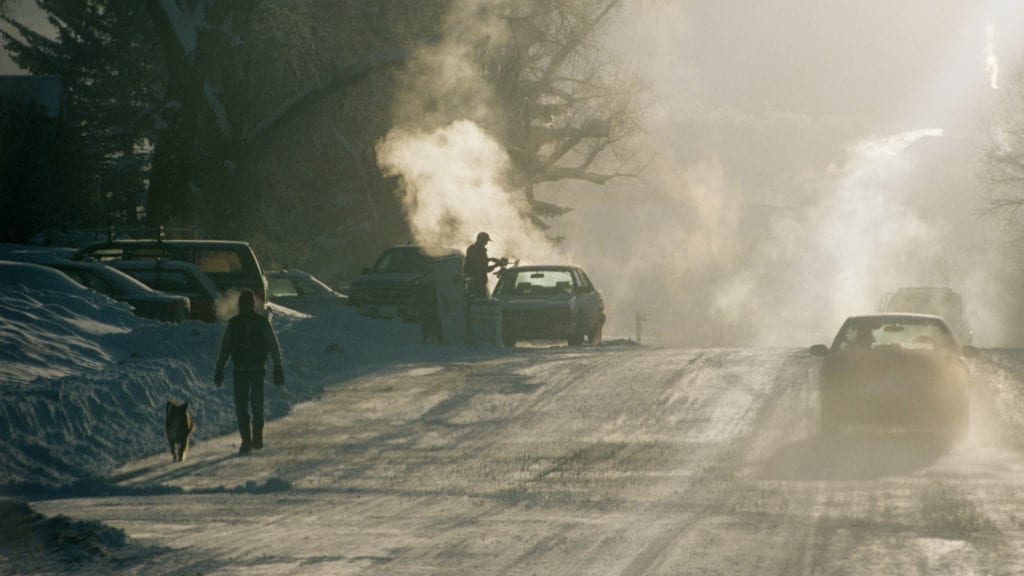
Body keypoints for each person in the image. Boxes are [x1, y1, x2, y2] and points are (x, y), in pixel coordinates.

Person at [214, 289, 284, 453]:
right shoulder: (235, 324)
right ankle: (246, 440)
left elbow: (273, 345)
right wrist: (219, 368)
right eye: (242, 305)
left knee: (256, 404)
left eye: (247, 305)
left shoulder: (260, 323)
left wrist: (278, 366)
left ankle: (257, 435)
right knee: (241, 407)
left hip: (257, 370)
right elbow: (225, 348)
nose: (244, 308)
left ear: (251, 305)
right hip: (240, 370)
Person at [464, 231, 500, 298]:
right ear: (481, 240)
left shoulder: (472, 249)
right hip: (478, 284)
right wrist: (496, 265)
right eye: (486, 241)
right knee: (479, 302)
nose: (486, 243)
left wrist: (490, 259)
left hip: (474, 282)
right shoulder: (479, 250)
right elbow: (483, 268)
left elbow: (478, 263)